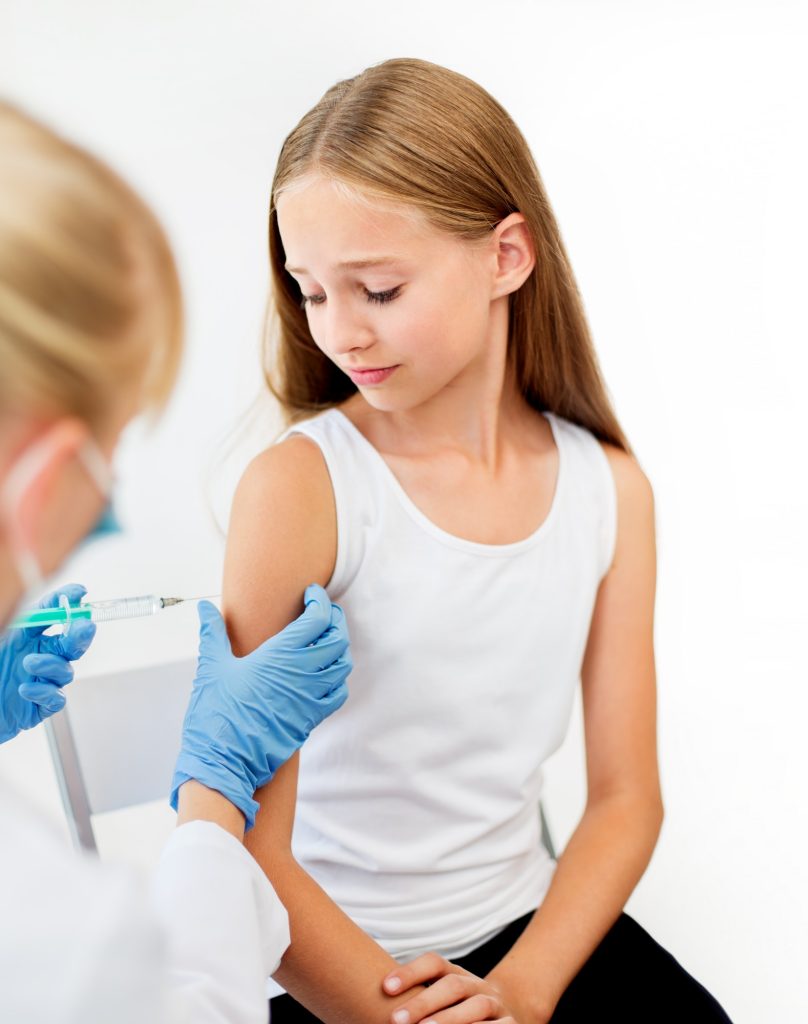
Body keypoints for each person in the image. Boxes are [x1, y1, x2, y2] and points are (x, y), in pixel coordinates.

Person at [226, 58, 735, 1023]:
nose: (339, 332)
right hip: (329, 959)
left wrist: (523, 990)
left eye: (377, 288)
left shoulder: (609, 491)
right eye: (311, 290)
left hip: (522, 931)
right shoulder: (302, 489)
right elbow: (248, 847)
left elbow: (627, 798)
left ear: (506, 256)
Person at [0, 100, 354, 1023]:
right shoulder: (58, 939)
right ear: (38, 484)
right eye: (108, 453)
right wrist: (213, 790)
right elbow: (191, 1004)